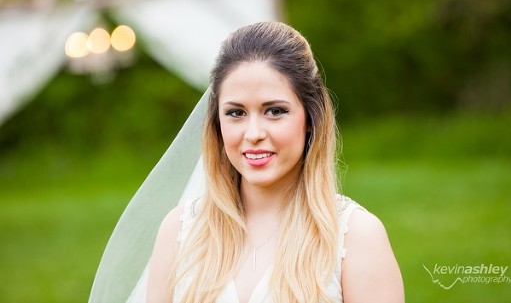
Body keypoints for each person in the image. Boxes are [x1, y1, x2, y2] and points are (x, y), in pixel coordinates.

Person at [90, 22, 404, 303]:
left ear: (310, 118)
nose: (253, 134)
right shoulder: (180, 231)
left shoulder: (355, 236)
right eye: (236, 113)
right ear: (217, 123)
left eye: (275, 111)